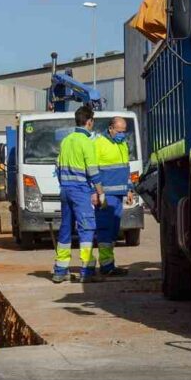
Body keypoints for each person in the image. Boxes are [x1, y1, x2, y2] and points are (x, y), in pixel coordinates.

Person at [53, 105, 103, 283]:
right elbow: (93, 171)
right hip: (80, 191)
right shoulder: (87, 142)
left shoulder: (66, 141)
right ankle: (87, 270)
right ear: (89, 122)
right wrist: (100, 192)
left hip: (65, 190)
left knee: (65, 228)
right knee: (86, 229)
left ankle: (60, 270)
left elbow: (58, 166)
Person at [93, 117, 134, 277]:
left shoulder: (122, 144)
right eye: (119, 131)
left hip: (119, 194)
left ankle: (109, 263)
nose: (122, 134)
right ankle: (106, 265)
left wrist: (129, 189)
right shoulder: (99, 143)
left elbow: (126, 169)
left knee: (114, 229)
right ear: (110, 128)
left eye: (124, 131)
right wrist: (94, 192)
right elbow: (92, 170)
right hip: (105, 194)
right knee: (105, 228)